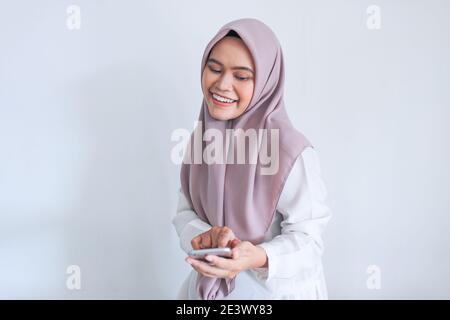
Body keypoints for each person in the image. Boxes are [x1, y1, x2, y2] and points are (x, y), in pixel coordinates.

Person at [172, 18, 332, 300]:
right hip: (205, 293)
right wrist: (206, 236)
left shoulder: (290, 151)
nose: (222, 84)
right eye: (215, 68)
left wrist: (257, 256)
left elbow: (309, 240)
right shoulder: (202, 140)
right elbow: (185, 212)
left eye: (242, 76)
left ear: (266, 83)